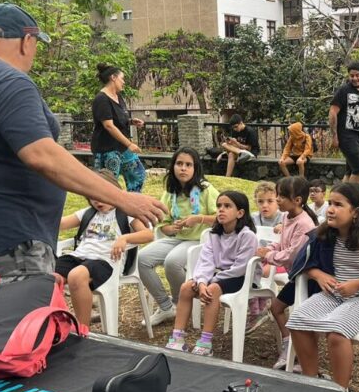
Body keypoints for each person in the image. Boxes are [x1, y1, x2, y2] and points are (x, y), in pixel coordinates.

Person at [0, 2, 165, 279]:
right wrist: (123, 198)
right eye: (37, 45)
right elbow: (42, 155)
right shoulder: (7, 79)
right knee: (20, 320)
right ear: (26, 41)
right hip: (12, 236)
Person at [285, 182, 359, 388]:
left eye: (338, 205)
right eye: (330, 203)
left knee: (336, 333)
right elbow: (302, 262)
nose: (330, 209)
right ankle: (311, 381)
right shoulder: (325, 233)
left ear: (356, 212)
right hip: (335, 294)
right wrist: (318, 274)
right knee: (297, 321)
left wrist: (358, 285)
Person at [166, 191, 259, 356]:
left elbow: (240, 267)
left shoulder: (247, 236)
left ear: (240, 213)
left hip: (240, 278)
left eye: (227, 206)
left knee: (213, 289)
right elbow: (205, 261)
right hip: (216, 277)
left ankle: (205, 342)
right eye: (219, 206)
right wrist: (201, 282)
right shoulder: (213, 234)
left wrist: (209, 283)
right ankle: (177, 338)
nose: (221, 210)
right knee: (187, 287)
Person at [56, 170, 152, 329]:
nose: (98, 202)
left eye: (102, 196)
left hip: (106, 262)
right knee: (49, 277)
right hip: (79, 256)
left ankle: (82, 331)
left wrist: (125, 238)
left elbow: (148, 234)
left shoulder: (125, 214)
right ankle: (57, 323)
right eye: (93, 197)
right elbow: (60, 223)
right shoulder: (88, 213)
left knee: (76, 275)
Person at [137, 147, 219, 326]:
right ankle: (167, 307)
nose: (183, 168)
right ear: (173, 166)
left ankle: (181, 302)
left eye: (188, 165)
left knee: (172, 262)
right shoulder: (171, 191)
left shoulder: (206, 190)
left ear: (195, 168)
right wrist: (169, 228)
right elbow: (162, 223)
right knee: (142, 258)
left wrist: (198, 219)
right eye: (179, 164)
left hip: (198, 241)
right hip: (175, 239)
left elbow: (221, 218)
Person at [258, 176, 319, 370]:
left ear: (298, 200)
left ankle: (301, 358)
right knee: (276, 308)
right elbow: (284, 244)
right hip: (297, 277)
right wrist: (269, 249)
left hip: (307, 278)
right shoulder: (287, 217)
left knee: (304, 318)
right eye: (278, 194)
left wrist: (268, 255)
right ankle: (288, 346)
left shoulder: (305, 224)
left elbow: (292, 256)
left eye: (282, 196)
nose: (277, 199)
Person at [90, 62, 147, 192]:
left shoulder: (118, 96)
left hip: (122, 148)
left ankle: (132, 205)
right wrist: (129, 144)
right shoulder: (101, 99)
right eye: (122, 78)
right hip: (107, 150)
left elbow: (117, 118)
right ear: (113, 78)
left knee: (138, 175)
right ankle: (108, 210)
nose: (124, 82)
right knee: (109, 185)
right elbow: (109, 126)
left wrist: (131, 121)